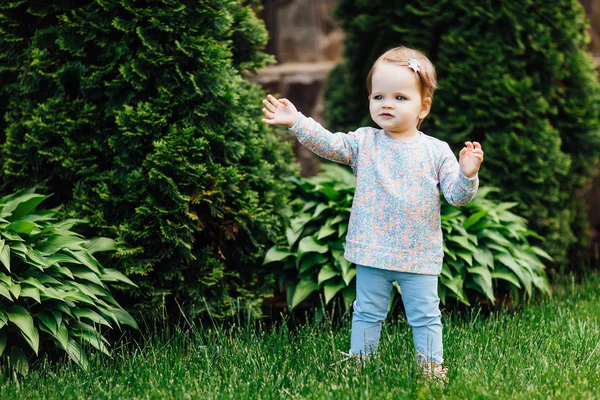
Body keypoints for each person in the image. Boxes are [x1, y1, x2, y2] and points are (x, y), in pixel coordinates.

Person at [260, 46, 484, 382]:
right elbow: (330, 144)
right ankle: (359, 360)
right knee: (366, 312)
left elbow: (456, 197)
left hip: (417, 254)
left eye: (400, 97)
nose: (387, 104)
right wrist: (298, 122)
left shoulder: (436, 151)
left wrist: (467, 175)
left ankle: (431, 366)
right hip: (372, 249)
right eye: (378, 96)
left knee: (425, 315)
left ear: (423, 107)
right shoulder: (364, 142)